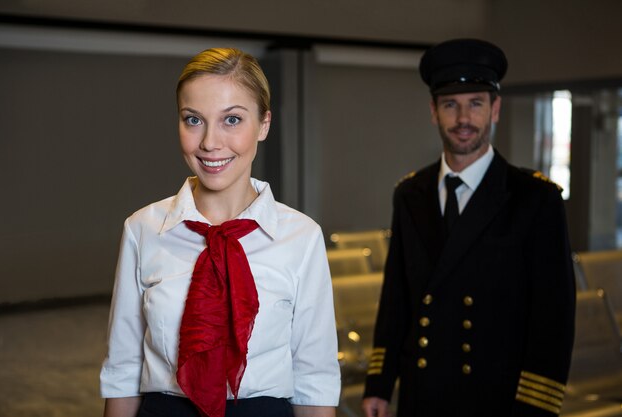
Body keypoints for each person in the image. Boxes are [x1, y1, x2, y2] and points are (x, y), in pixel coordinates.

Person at [100, 47, 340, 417]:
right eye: (193, 120)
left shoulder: (302, 237)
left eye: (232, 120)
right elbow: (123, 368)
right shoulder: (142, 229)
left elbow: (315, 377)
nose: (210, 142)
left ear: (264, 125)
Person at [362, 39, 576, 417]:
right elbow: (396, 298)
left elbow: (553, 318)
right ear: (433, 111)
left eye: (475, 103)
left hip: (497, 398)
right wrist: (380, 384)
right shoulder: (410, 193)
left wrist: (536, 408)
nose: (463, 118)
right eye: (450, 105)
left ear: (495, 109)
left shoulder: (536, 199)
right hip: (421, 394)